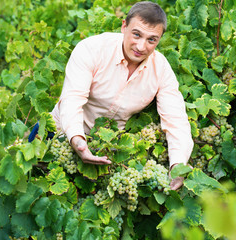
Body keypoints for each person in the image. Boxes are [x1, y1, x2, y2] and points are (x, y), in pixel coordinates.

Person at [50, 1, 193, 190]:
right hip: (60, 136)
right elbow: (72, 100)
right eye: (136, 34)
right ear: (124, 26)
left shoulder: (161, 70)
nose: (141, 46)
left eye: (151, 40)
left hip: (108, 153)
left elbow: (176, 120)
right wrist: (77, 139)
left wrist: (177, 165)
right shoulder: (92, 49)